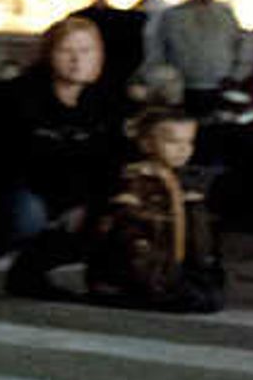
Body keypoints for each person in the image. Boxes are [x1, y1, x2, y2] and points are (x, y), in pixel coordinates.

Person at [0, 14, 124, 298]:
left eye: (85, 51)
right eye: (66, 51)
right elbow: (5, 161)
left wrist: (90, 202)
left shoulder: (105, 103)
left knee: (109, 213)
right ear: (49, 54)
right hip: (16, 193)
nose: (76, 60)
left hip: (72, 196)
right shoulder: (18, 97)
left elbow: (109, 160)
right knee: (28, 214)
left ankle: (31, 272)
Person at [92, 108, 225, 312]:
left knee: (208, 296)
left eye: (188, 142)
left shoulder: (185, 180)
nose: (183, 150)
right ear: (146, 144)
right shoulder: (135, 179)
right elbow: (127, 230)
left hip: (171, 264)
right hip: (141, 265)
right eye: (173, 142)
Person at [151, 0, 253, 112]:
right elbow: (158, 50)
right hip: (183, 86)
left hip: (220, 84)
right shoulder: (173, 16)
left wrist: (237, 75)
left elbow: (241, 46)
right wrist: (164, 81)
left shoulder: (226, 15)